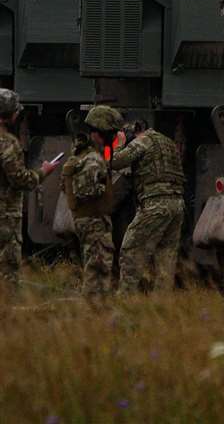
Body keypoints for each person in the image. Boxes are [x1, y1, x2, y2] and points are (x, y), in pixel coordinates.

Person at [106, 115, 185, 293]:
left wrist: (119, 143)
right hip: (177, 204)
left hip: (155, 204)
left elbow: (115, 161)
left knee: (130, 248)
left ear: (137, 129)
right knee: (166, 257)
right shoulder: (168, 143)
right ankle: (162, 305)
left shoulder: (143, 140)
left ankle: (126, 299)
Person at [0, 87, 58, 289]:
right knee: (8, 271)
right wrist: (44, 171)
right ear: (11, 114)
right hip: (5, 217)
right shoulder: (7, 144)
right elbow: (22, 180)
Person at [61, 106, 121, 295]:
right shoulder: (93, 158)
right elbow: (86, 190)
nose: (112, 137)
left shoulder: (80, 154)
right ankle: (94, 308)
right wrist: (104, 188)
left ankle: (93, 306)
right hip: (94, 219)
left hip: (86, 218)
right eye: (110, 133)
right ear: (101, 132)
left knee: (94, 265)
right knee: (99, 268)